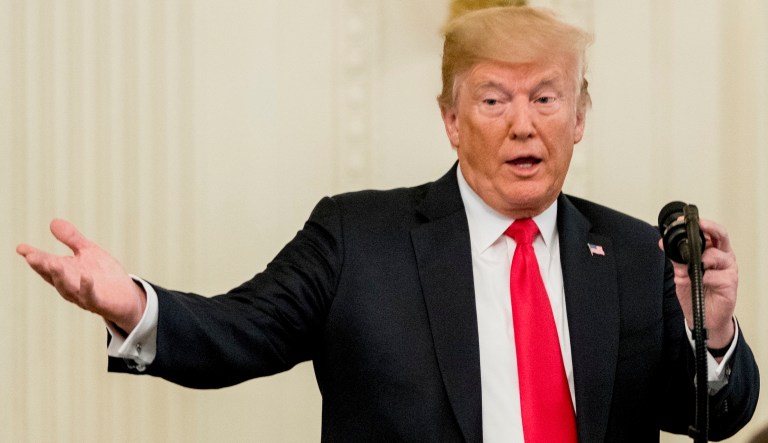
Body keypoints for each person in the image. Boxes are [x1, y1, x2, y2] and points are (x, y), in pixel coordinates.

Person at [16, 6, 759, 442]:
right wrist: (135, 306)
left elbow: (710, 418)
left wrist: (712, 335)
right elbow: (239, 331)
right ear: (450, 120)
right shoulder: (356, 238)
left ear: (581, 115)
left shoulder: (631, 249)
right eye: (495, 99)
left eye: (546, 97)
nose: (524, 125)